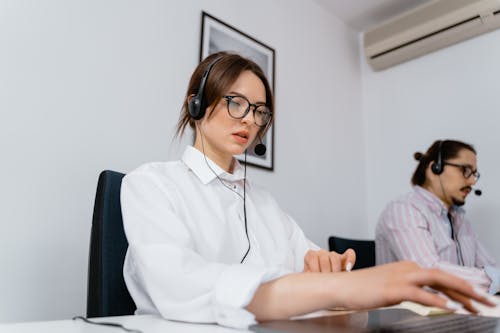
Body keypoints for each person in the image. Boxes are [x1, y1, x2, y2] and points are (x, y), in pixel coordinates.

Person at [120, 54, 492, 329]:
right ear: (196, 104)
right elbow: (179, 284)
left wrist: (330, 269)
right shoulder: (149, 185)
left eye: (260, 111)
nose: (251, 120)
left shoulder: (264, 203)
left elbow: (311, 261)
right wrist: (336, 289)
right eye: (237, 103)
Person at [376, 139, 500, 295]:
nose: (472, 181)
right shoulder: (404, 209)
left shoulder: (460, 220)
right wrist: (493, 279)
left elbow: (490, 266)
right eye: (465, 170)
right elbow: (426, 273)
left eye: (474, 174)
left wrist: (494, 277)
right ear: (435, 168)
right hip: (407, 316)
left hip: (453, 312)